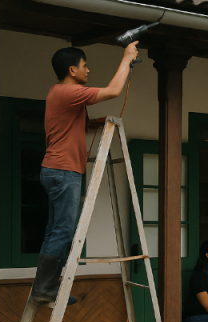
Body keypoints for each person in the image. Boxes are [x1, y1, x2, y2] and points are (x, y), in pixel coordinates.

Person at [32, 42, 139, 305]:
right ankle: (45, 288)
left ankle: (46, 287)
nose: (88, 70)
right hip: (64, 170)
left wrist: (93, 123)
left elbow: (71, 126)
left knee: (56, 230)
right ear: (72, 70)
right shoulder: (69, 92)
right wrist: (126, 59)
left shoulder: (58, 92)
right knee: (63, 231)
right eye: (84, 66)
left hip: (56, 169)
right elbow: (113, 91)